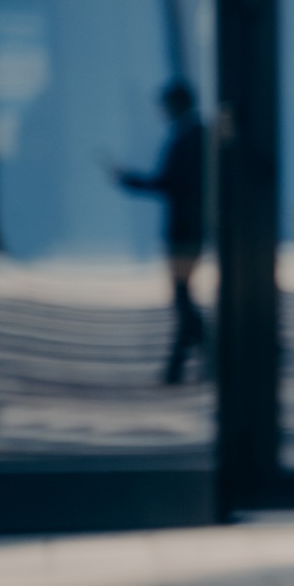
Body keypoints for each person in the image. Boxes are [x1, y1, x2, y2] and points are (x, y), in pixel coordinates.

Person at [114, 80, 208, 385]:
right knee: (183, 297)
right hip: (191, 227)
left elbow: (169, 183)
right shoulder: (196, 136)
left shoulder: (186, 139)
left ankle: (197, 360)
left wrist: (130, 181)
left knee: (182, 297)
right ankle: (187, 365)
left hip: (183, 229)